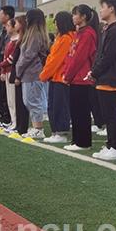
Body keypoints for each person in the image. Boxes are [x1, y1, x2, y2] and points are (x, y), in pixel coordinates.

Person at [86, 0, 116, 161]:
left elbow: (109, 56)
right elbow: (101, 55)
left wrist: (94, 72)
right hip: (104, 78)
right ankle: (110, 145)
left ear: (112, 9)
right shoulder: (108, 29)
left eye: (103, 7)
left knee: (112, 115)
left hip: (111, 78)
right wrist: (94, 71)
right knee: (107, 114)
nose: (100, 10)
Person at [63, 5, 99, 151]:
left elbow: (79, 58)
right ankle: (76, 140)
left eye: (75, 14)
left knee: (81, 111)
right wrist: (66, 73)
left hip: (82, 79)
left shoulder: (88, 34)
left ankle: (83, 142)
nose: (73, 17)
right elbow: (71, 56)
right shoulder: (79, 33)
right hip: (74, 78)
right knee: (75, 111)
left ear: (83, 17)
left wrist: (68, 74)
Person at [40, 11, 75, 143]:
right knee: (53, 105)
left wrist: (43, 75)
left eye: (56, 23)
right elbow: (51, 58)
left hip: (61, 77)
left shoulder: (66, 38)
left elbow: (56, 60)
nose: (55, 26)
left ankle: (61, 132)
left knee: (60, 106)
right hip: (55, 77)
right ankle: (56, 131)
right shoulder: (61, 38)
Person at [15, 8, 49, 139]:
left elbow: (29, 55)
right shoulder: (33, 33)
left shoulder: (35, 35)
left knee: (33, 101)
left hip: (33, 73)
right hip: (29, 73)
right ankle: (36, 126)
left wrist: (18, 69)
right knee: (29, 101)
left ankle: (38, 128)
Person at [0, 6, 14, 127]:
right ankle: (4, 117)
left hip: (6, 68)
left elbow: (6, 53)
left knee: (6, 95)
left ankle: (7, 118)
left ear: (7, 16)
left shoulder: (10, 32)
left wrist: (2, 68)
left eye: (1, 14)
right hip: (1, 67)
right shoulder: (2, 31)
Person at [0, 18, 19, 133]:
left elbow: (11, 58)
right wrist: (2, 70)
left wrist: (2, 64)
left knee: (13, 98)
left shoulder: (17, 41)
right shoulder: (10, 40)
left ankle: (16, 121)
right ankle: (13, 121)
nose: (6, 27)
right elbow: (5, 56)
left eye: (8, 25)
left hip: (12, 71)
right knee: (9, 99)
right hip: (6, 71)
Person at [11, 15, 30, 134]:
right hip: (17, 72)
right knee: (18, 101)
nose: (15, 25)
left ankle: (22, 127)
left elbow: (23, 58)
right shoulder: (20, 39)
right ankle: (18, 126)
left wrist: (18, 75)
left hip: (22, 74)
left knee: (22, 102)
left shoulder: (25, 39)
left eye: (17, 23)